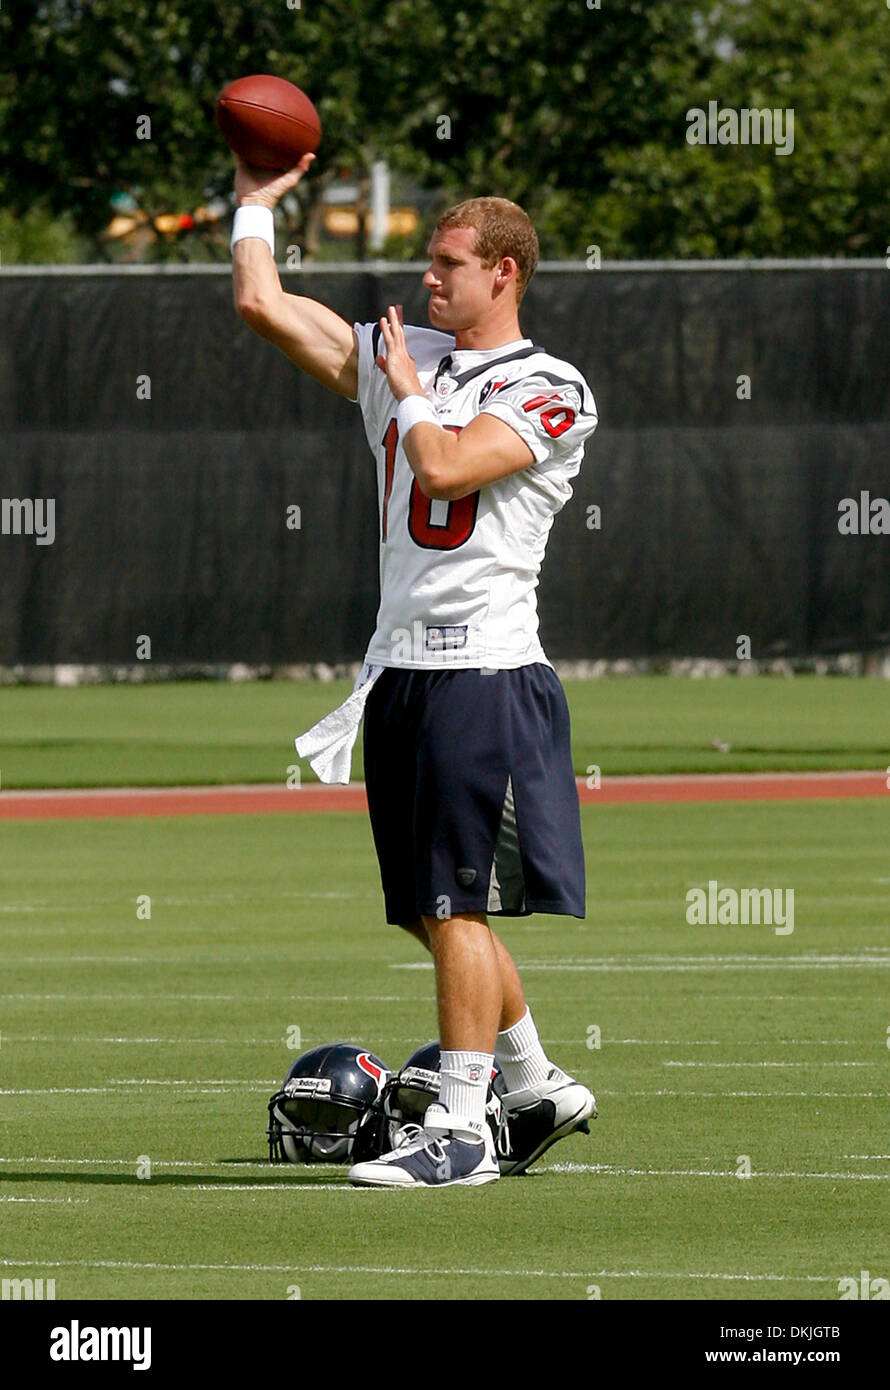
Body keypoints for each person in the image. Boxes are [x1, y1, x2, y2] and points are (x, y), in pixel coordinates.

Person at [232, 152, 598, 1188]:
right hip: (400, 668)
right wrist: (254, 207)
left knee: (453, 905)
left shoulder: (548, 384)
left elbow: (443, 465)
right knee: (426, 906)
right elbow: (263, 306)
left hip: (481, 670)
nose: (426, 280)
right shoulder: (415, 350)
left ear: (504, 274)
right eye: (427, 262)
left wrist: (401, 385)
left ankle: (463, 1126)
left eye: (447, 265)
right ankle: (535, 1086)